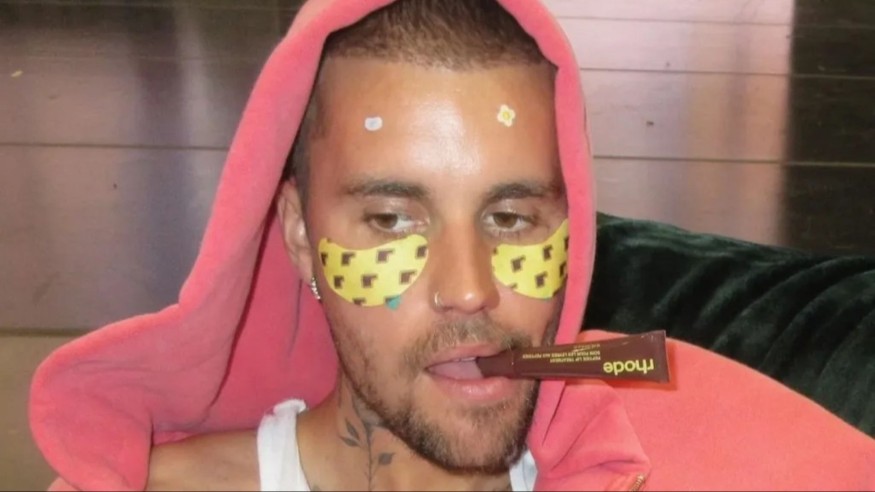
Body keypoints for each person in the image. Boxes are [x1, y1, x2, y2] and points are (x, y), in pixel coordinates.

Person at [30, 0, 875, 490]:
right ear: (299, 235)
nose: (468, 289)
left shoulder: (669, 420)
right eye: (393, 220)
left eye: (510, 219)